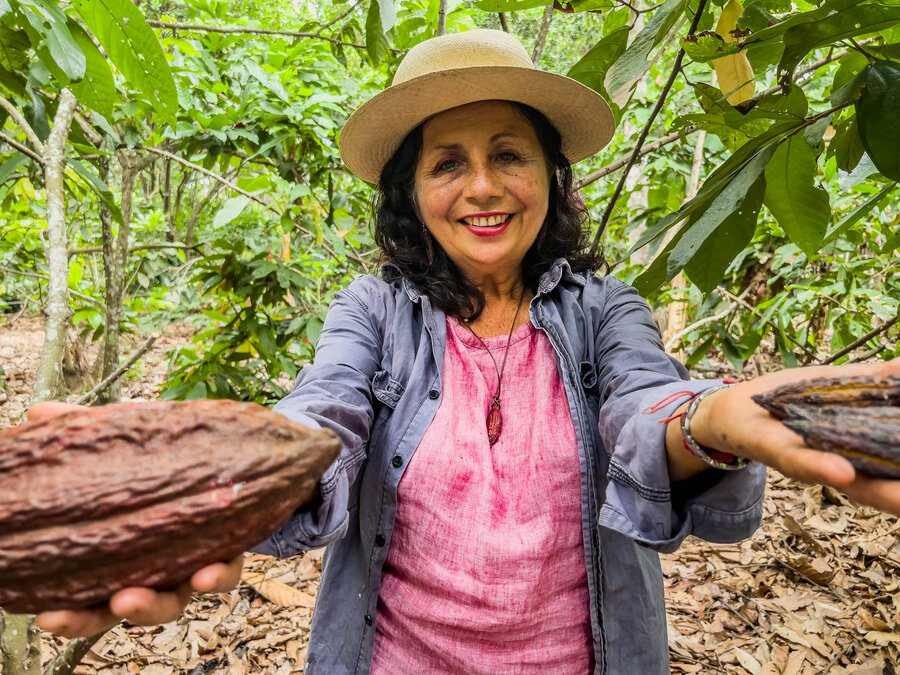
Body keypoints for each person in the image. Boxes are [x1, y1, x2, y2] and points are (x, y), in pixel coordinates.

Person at [36, 28, 900, 674]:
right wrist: (210, 481)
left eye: (507, 155)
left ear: (551, 180)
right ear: (412, 194)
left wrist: (712, 417)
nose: (482, 185)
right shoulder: (374, 310)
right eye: (447, 163)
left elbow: (646, 404)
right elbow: (321, 414)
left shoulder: (604, 310)